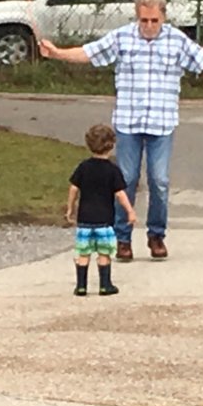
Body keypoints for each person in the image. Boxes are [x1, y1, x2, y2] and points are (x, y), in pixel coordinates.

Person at [41, 0, 203, 261]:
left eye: (154, 20)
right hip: (128, 121)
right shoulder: (123, 37)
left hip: (162, 123)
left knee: (160, 180)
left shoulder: (176, 40)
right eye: (144, 20)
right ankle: (122, 238)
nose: (149, 26)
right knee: (126, 179)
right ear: (137, 17)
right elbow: (90, 52)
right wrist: (57, 53)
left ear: (163, 17)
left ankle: (156, 235)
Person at [66, 124, 136, 296]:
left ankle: (81, 286)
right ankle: (105, 285)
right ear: (111, 145)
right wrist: (130, 211)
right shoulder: (112, 170)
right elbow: (120, 193)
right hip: (104, 221)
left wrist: (70, 208)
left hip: (84, 220)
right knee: (104, 253)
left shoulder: (84, 167)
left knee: (83, 253)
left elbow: (73, 188)